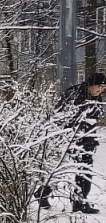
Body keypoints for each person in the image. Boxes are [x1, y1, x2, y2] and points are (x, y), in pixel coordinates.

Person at [43, 72, 105, 213]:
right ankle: (43, 193)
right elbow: (60, 115)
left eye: (104, 87)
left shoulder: (95, 97)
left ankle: (80, 202)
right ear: (91, 85)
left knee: (84, 172)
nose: (101, 90)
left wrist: (91, 139)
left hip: (87, 141)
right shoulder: (75, 94)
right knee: (61, 169)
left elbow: (91, 122)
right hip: (69, 140)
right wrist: (68, 135)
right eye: (99, 86)